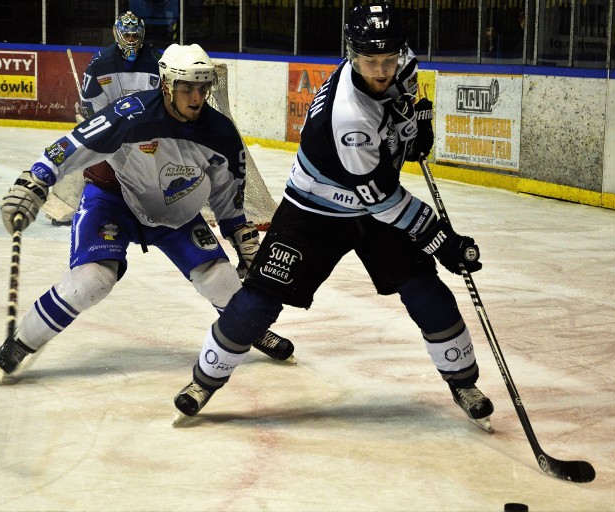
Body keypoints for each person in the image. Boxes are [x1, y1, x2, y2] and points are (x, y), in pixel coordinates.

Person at [173, 2, 495, 431]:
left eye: (388, 59)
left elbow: (404, 106)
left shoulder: (400, 63)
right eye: (369, 61)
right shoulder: (349, 118)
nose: (381, 70)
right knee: (260, 299)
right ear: (351, 53)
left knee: (425, 289)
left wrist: (416, 131)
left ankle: (463, 382)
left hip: (373, 203)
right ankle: (204, 380)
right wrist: (442, 239)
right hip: (315, 211)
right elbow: (384, 201)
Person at [0, 43, 295, 384]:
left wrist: (242, 237)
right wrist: (36, 178)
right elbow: (75, 143)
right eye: (186, 88)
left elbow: (227, 193)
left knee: (220, 278)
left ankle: (249, 329)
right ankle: (21, 343)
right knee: (91, 281)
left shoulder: (220, 132)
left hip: (177, 213)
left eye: (202, 88)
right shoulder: (129, 113)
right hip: (113, 203)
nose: (196, 98)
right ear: (166, 85)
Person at [45, 11, 162, 225]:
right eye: (127, 36)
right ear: (117, 35)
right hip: (111, 126)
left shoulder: (155, 61)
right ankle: (66, 204)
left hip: (145, 128)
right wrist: (100, 127)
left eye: (135, 36)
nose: (131, 40)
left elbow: (164, 101)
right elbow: (91, 105)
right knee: (85, 152)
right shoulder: (101, 63)